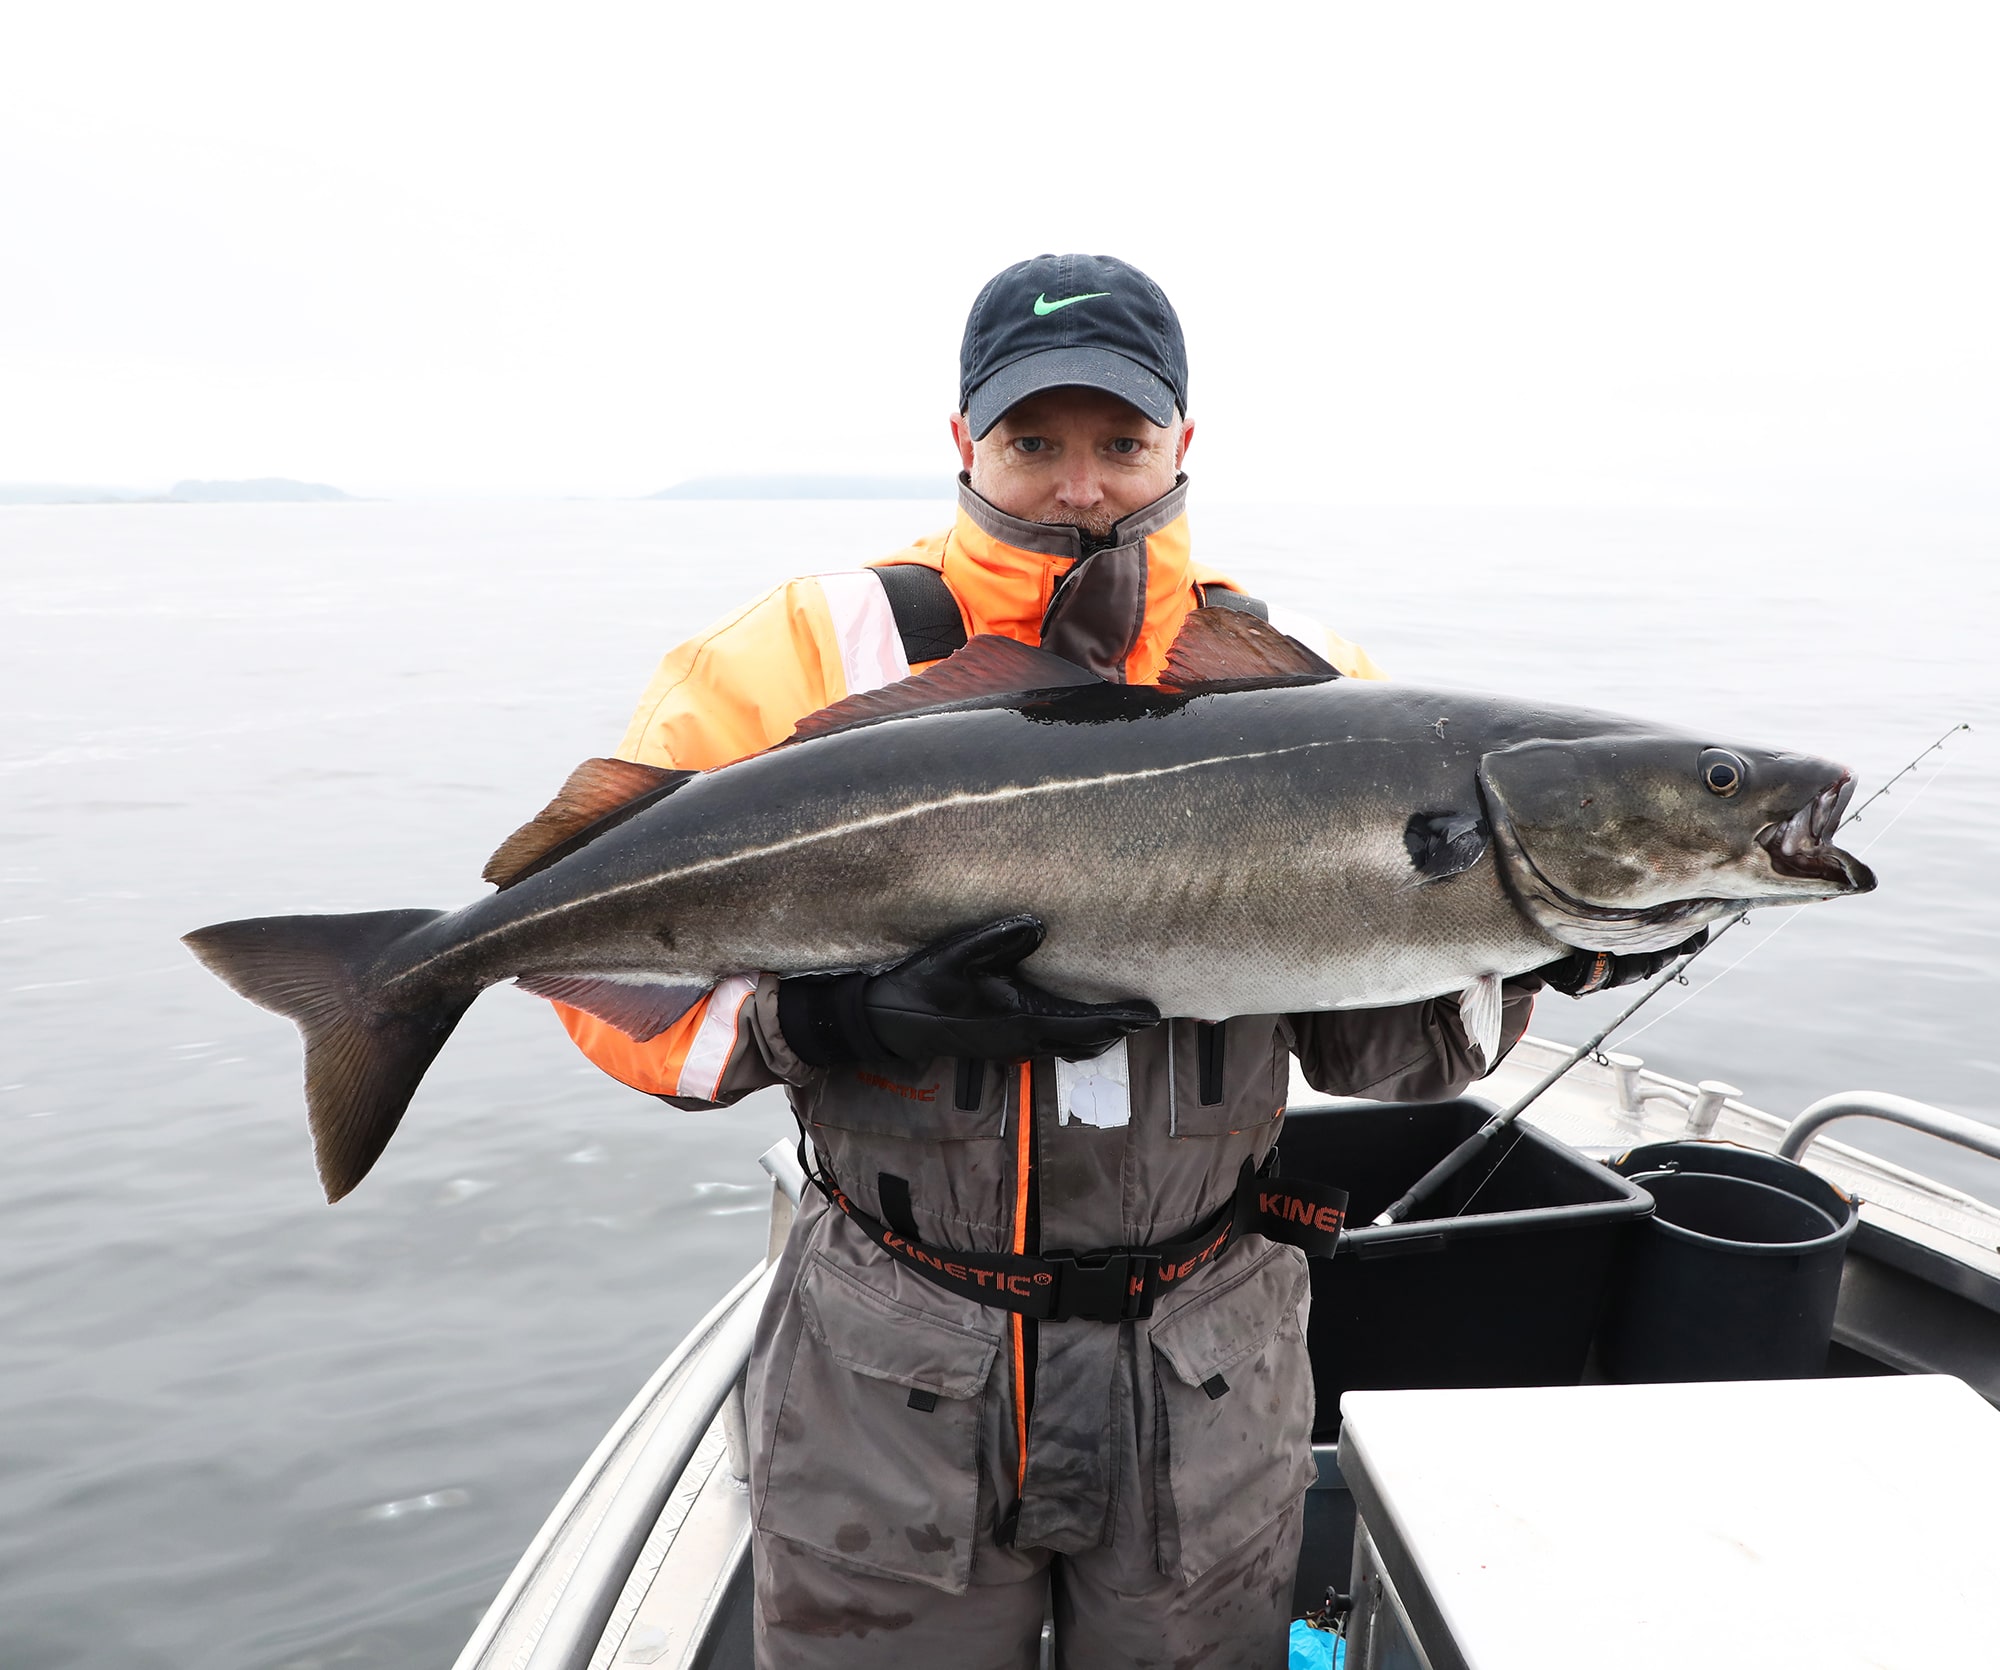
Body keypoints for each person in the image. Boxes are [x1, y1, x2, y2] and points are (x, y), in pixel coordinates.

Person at [553, 254, 1679, 1668]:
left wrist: (1537, 953)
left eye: (1121, 442)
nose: (1080, 486)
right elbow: (604, 976)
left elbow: (1367, 1049)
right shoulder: (803, 651)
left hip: (1204, 1360)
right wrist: (827, 1021)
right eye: (1034, 443)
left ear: (1182, 442)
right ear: (964, 441)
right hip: (891, 1353)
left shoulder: (1309, 680)